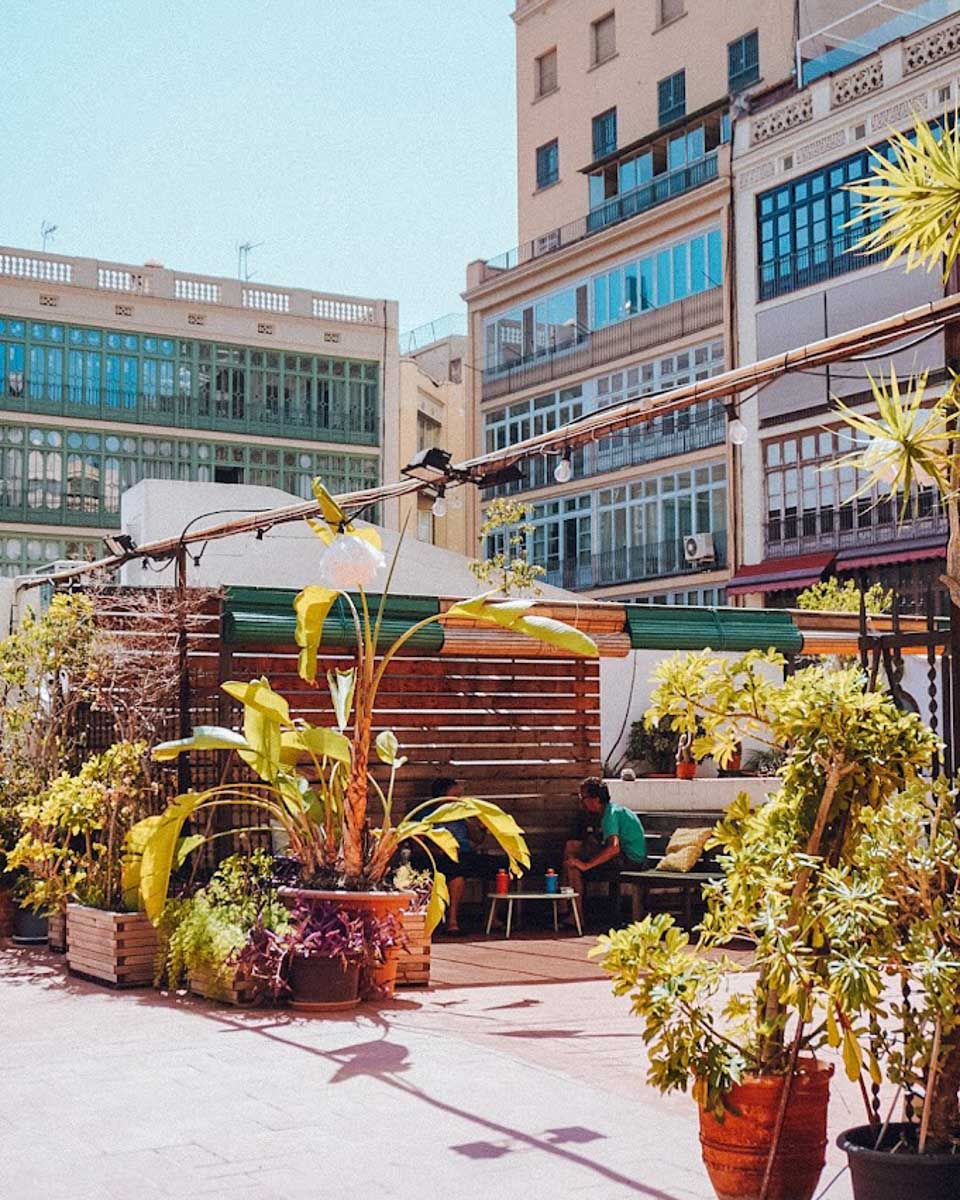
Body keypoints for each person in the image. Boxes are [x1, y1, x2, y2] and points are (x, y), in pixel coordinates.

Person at [562, 777, 646, 925]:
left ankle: (574, 914)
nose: (581, 802)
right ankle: (565, 906)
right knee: (572, 849)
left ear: (596, 799)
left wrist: (585, 865)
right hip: (629, 857)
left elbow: (614, 848)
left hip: (630, 861)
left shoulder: (610, 815)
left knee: (574, 865)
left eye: (584, 798)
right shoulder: (613, 810)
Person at [425, 776, 496, 934]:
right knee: (457, 873)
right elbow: (418, 842)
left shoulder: (459, 816)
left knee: (499, 868)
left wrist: (481, 827)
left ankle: (492, 917)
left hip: (465, 855)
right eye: (455, 797)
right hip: (441, 857)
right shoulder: (427, 814)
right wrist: (439, 850)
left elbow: (477, 840)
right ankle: (452, 922)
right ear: (443, 796)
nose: (458, 800)